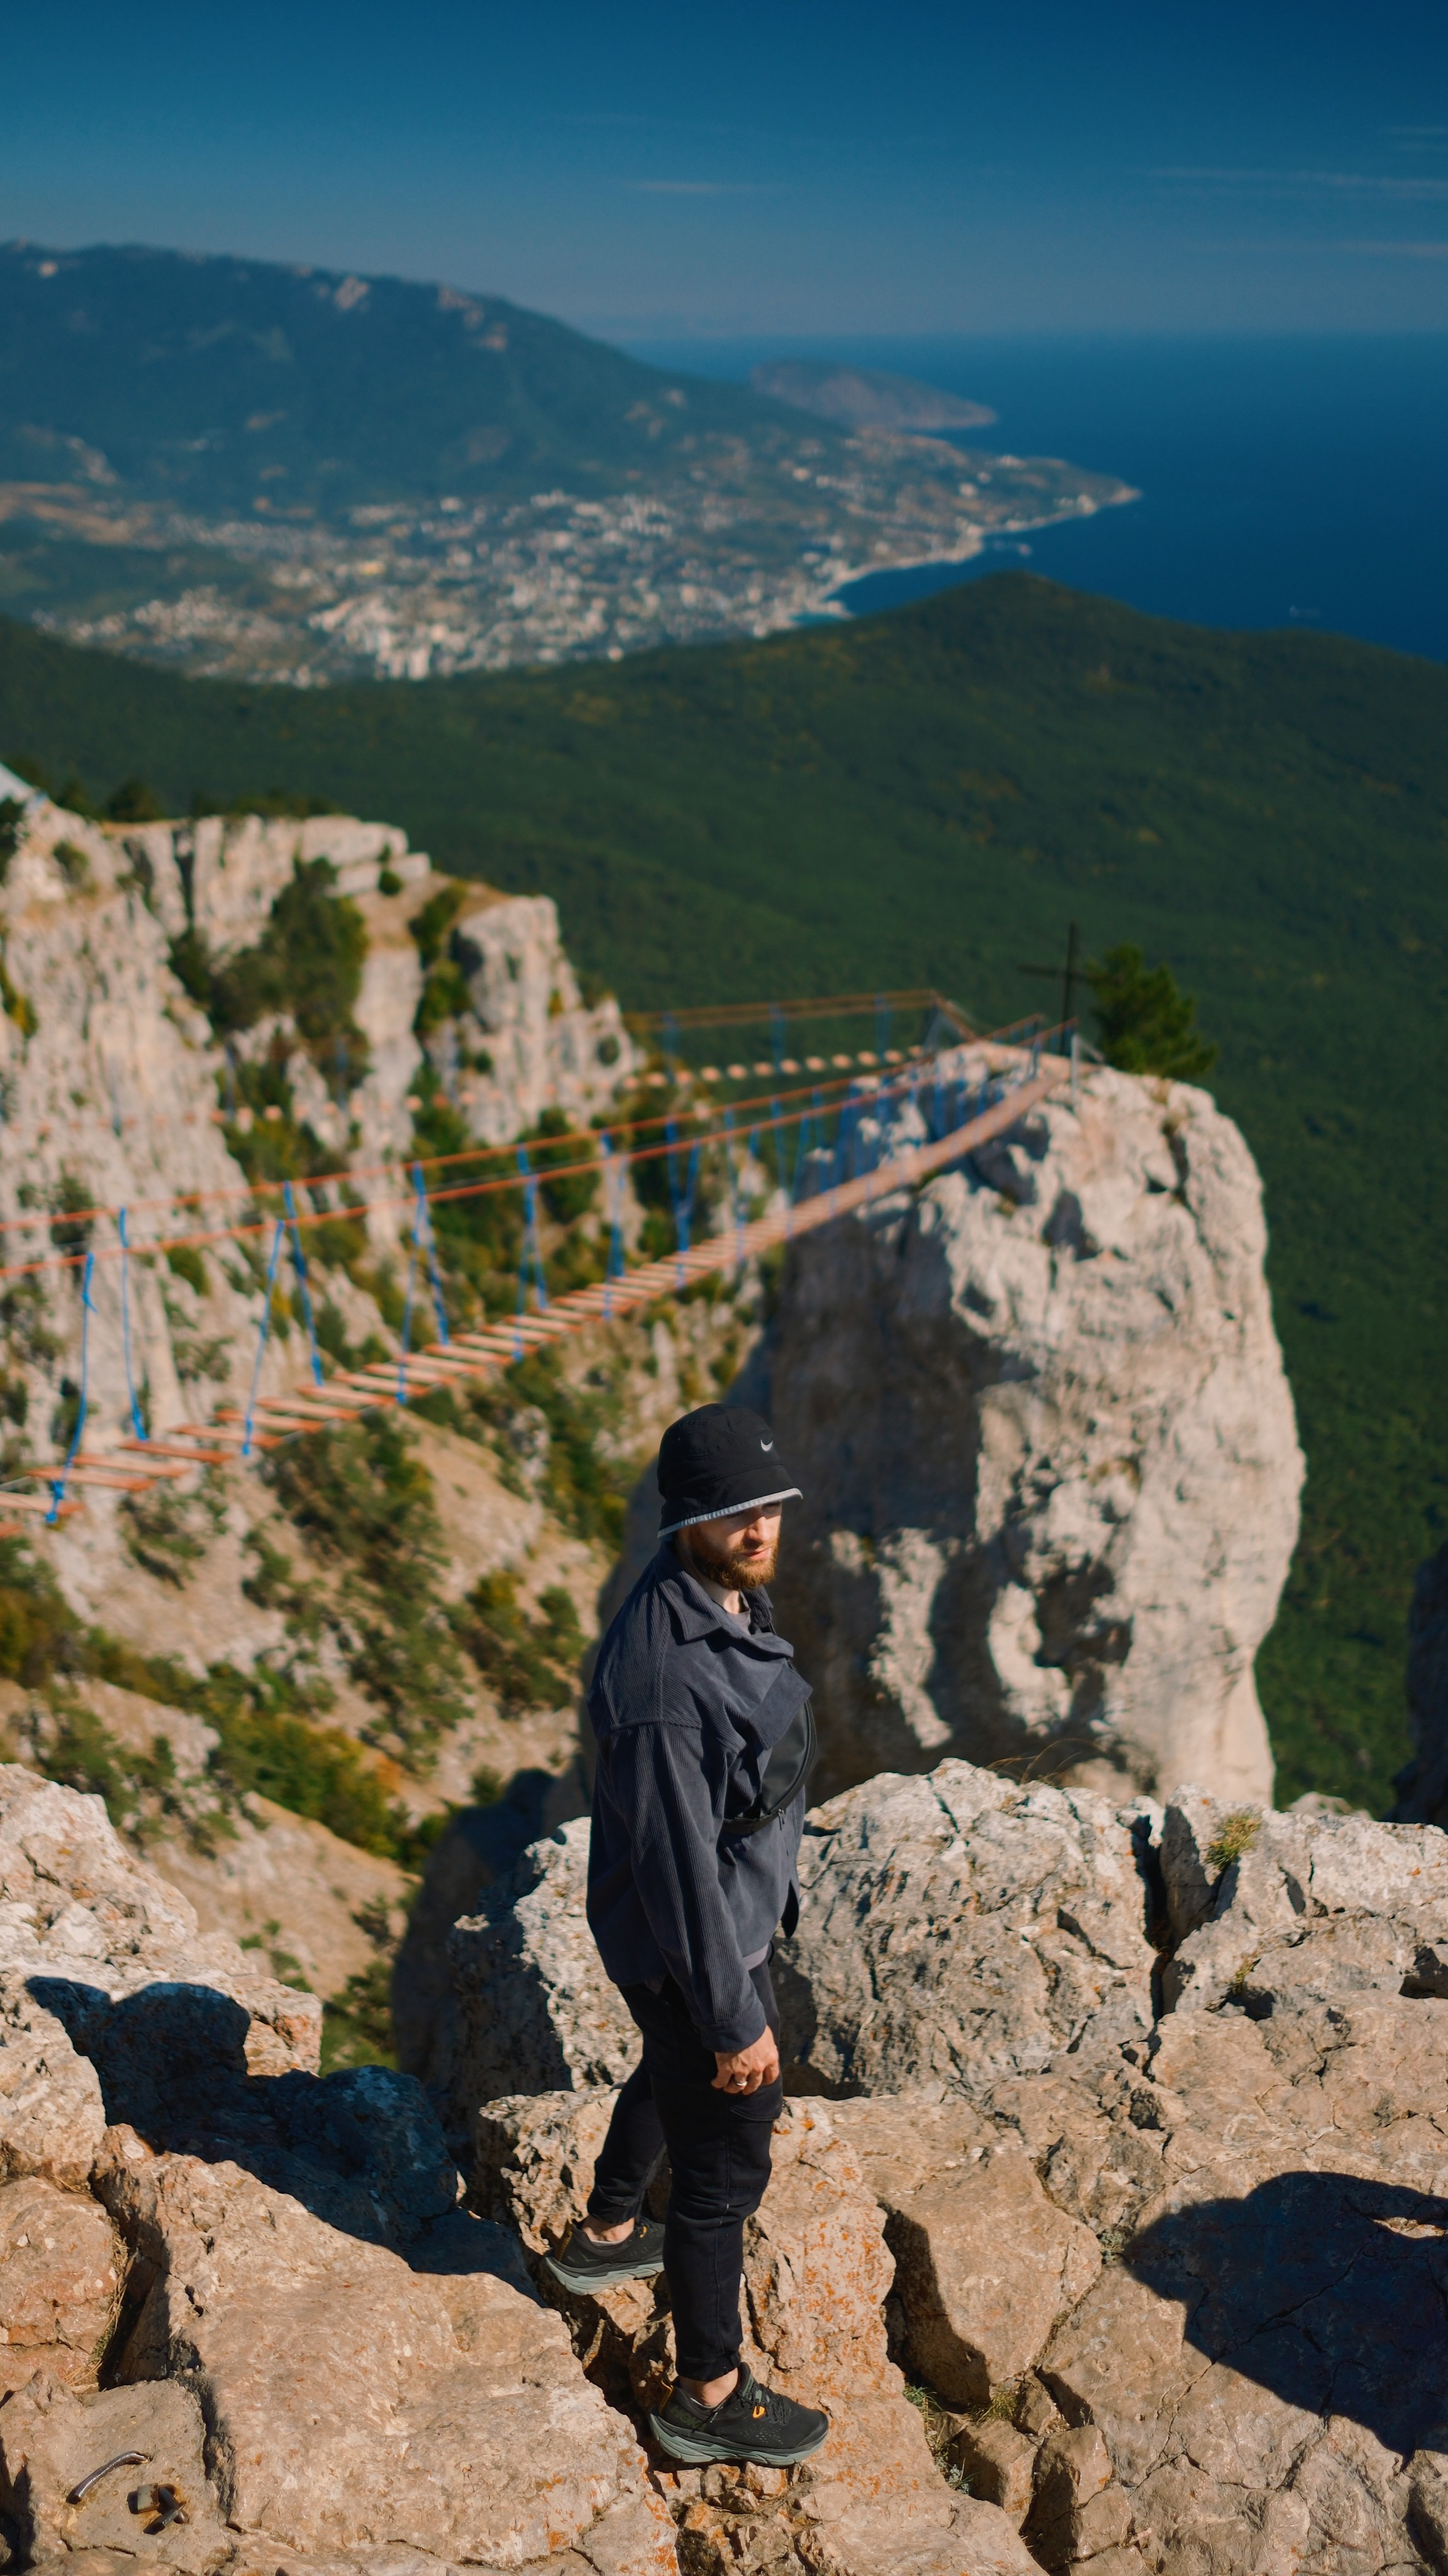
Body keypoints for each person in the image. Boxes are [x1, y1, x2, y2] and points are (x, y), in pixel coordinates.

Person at [545, 1402, 828, 2470]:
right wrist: (732, 2020)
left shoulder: (712, 1595)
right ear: (684, 1520)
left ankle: (607, 2235)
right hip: (694, 1951)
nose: (757, 1529)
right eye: (729, 1513)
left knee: (669, 2075)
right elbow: (673, 1875)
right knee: (720, 2172)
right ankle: (706, 2393)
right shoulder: (661, 1685)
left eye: (767, 1506)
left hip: (714, 1927)